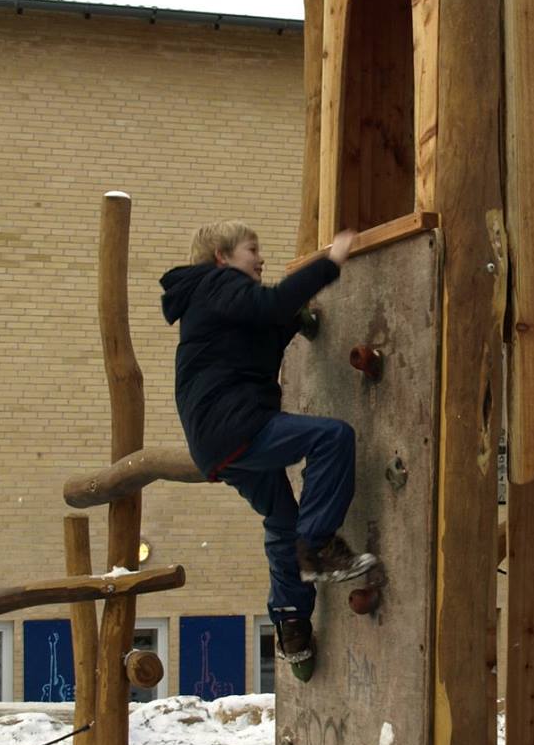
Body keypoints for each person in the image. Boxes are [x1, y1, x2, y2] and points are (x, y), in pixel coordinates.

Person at [160, 220, 378, 680]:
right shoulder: (217, 283)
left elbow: (264, 326)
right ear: (222, 257)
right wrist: (331, 262)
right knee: (332, 437)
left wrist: (297, 320)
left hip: (217, 442)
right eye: (252, 250)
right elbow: (272, 304)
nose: (260, 259)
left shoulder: (211, 300)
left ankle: (292, 624)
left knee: (281, 519)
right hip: (236, 425)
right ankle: (317, 547)